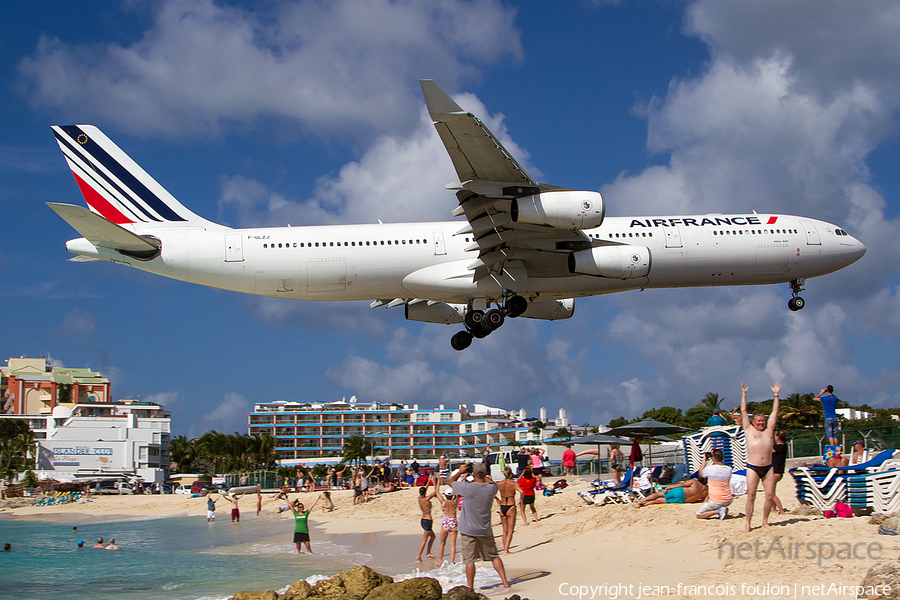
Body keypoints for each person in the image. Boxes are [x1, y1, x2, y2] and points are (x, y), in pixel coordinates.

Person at [450, 462, 511, 592]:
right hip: (484, 528)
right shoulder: (491, 489)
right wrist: (487, 477)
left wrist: (460, 472)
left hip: (468, 528)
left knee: (469, 560)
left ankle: (470, 587)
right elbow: (495, 485)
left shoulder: (467, 488)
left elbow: (451, 483)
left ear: (473, 474)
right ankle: (505, 582)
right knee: (494, 556)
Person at [739, 380, 781, 532]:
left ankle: (765, 521)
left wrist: (776, 395)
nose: (762, 423)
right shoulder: (749, 430)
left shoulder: (769, 429)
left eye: (763, 420)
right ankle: (748, 523)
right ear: (754, 422)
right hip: (753, 467)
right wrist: (744, 394)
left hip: (768, 467)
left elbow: (775, 412)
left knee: (769, 496)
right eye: (759, 421)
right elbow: (743, 411)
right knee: (751, 496)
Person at [695, 449, 733, 520]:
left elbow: (700, 474)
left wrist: (705, 460)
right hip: (728, 499)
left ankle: (718, 511)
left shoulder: (709, 469)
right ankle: (721, 509)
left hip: (716, 501)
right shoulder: (729, 469)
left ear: (713, 458)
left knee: (699, 515)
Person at [496, 467, 522, 555]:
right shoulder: (513, 483)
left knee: (504, 531)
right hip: (510, 505)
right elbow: (522, 492)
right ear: (511, 474)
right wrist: (521, 500)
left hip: (502, 505)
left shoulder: (499, 483)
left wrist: (497, 499)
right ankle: (506, 550)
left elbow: (491, 492)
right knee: (510, 530)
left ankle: (505, 549)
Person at [637, 478, 708, 506]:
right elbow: (703, 501)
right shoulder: (706, 492)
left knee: (659, 494)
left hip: (681, 492)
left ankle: (643, 500)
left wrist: (670, 487)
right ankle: (645, 505)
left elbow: (682, 484)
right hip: (683, 500)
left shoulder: (694, 482)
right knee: (658, 501)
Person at [415, 474, 438, 561]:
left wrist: (429, 481)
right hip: (428, 521)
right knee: (424, 539)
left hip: (423, 520)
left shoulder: (420, 498)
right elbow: (435, 491)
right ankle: (419, 555)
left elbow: (425, 489)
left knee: (433, 537)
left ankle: (428, 553)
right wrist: (435, 482)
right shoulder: (427, 499)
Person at [436, 485, 459, 564]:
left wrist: (437, 481)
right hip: (453, 522)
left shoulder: (443, 502)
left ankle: (440, 561)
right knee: (452, 544)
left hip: (445, 522)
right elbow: (458, 494)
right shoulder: (455, 502)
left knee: (442, 543)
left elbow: (437, 492)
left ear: (445, 495)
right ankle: (452, 561)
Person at [772, 430, 788, 515]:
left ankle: (781, 510)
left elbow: (769, 449)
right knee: (773, 491)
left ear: (778, 437)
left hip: (775, 472)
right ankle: (774, 508)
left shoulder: (777, 448)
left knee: (771, 493)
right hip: (780, 472)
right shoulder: (784, 446)